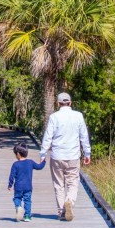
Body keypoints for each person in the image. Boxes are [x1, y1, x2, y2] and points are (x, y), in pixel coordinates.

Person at [39, 92, 91, 221]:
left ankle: (62, 211)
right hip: (73, 156)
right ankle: (69, 202)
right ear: (70, 103)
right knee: (73, 182)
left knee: (59, 184)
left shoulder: (54, 117)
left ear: (58, 104)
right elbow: (84, 136)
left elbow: (48, 136)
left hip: (57, 156)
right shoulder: (78, 116)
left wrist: (43, 153)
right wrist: (87, 153)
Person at [8, 143, 47, 222]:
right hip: (28, 187)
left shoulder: (15, 164)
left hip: (18, 187)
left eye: (15, 154)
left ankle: (18, 207)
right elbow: (39, 167)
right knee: (27, 201)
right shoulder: (30, 162)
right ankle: (27, 216)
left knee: (17, 198)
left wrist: (10, 185)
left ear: (18, 154)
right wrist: (43, 161)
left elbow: (12, 176)